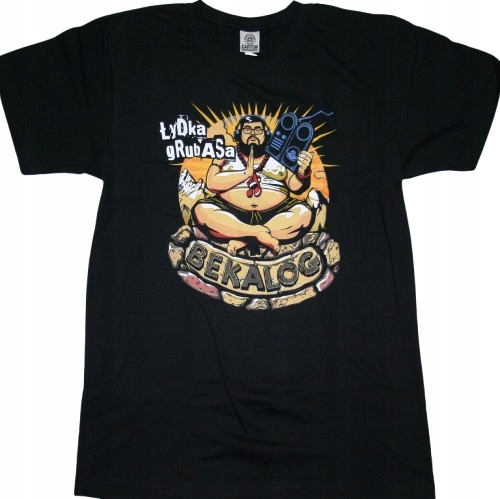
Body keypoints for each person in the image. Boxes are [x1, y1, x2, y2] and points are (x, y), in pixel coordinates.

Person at [192, 114, 314, 255]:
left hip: (276, 214)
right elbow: (211, 183)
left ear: (266, 134)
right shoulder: (226, 153)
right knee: (201, 210)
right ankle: (256, 233)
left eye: (258, 130)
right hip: (231, 212)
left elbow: (295, 187)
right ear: (239, 133)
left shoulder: (279, 154)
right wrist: (245, 174)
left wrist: (303, 171)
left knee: (304, 213)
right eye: (247, 129)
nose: (253, 134)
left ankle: (244, 238)